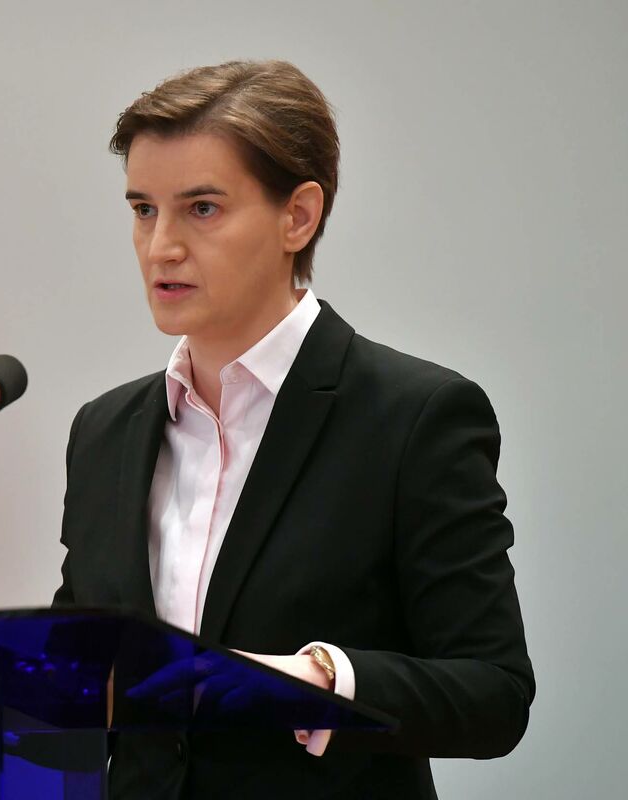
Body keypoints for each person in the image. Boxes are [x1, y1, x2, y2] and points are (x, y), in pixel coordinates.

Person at [52, 60, 534, 798]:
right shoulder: (104, 431)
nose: (161, 246)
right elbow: (79, 668)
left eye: (202, 208)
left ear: (298, 217)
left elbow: (493, 695)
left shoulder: (414, 417)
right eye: (143, 209)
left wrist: (320, 680)